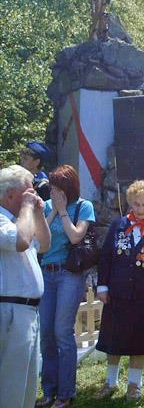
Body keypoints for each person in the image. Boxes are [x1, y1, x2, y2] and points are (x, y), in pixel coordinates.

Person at [95, 180, 144, 401]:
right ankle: (110, 381)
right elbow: (106, 257)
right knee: (113, 339)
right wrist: (102, 285)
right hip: (117, 294)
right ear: (129, 203)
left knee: (139, 341)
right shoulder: (118, 225)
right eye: (136, 204)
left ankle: (134, 385)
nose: (140, 209)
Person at [36, 165, 95, 408]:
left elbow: (75, 236)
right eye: (52, 188)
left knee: (62, 332)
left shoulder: (83, 206)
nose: (55, 192)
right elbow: (39, 240)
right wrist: (52, 211)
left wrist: (62, 211)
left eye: (59, 188)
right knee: (46, 334)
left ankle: (65, 393)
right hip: (46, 273)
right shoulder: (45, 206)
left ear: (69, 188)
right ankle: (48, 390)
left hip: (69, 274)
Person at [0, 165, 50, 408]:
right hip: (9, 310)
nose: (33, 195)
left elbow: (44, 245)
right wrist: (28, 208)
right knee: (11, 384)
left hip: (28, 311)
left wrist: (37, 212)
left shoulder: (24, 220)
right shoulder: (2, 220)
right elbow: (21, 241)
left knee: (28, 385)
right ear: (10, 195)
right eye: (27, 192)